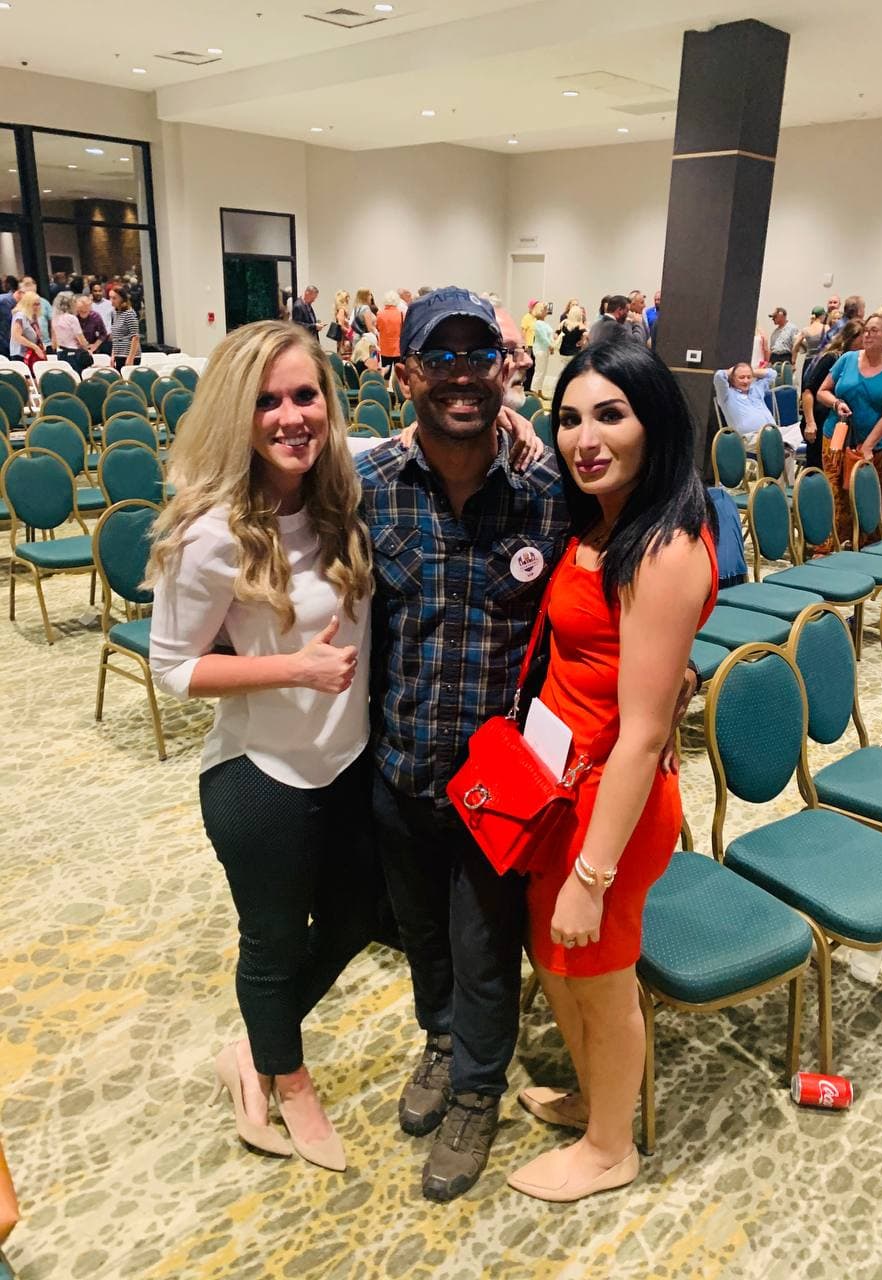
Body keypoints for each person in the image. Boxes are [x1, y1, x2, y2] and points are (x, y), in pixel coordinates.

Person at [147, 320, 380, 1172]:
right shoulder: (210, 536)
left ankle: (252, 1047)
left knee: (357, 916)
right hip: (260, 779)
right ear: (237, 416)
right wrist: (293, 667)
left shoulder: (344, 495)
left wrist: (509, 419)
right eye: (267, 401)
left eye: (305, 395)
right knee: (274, 943)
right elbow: (172, 668)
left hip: (347, 764)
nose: (291, 416)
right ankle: (285, 1079)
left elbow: (419, 435)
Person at [357, 287, 569, 1203]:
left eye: (477, 358)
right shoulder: (370, 489)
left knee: (487, 950)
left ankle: (477, 1092)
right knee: (423, 940)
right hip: (399, 767)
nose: (459, 377)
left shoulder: (548, 496)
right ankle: (442, 1044)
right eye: (438, 359)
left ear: (505, 371)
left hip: (498, 792)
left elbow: (651, 550)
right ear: (407, 375)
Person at [507, 336, 718, 1203]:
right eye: (568, 418)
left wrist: (592, 874)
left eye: (610, 415)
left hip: (611, 808)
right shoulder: (603, 517)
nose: (584, 438)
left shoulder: (664, 545)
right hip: (557, 783)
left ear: (654, 422)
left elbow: (638, 736)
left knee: (599, 976)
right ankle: (595, 1101)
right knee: (553, 960)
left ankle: (610, 1148)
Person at [816, 312, 882, 543]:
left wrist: (868, 445)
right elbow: (822, 391)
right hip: (838, 437)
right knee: (836, 495)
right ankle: (833, 546)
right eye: (866, 329)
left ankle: (869, 551)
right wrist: (837, 403)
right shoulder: (847, 359)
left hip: (875, 446)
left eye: (874, 330)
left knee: (871, 500)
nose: (867, 334)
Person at [800, 320, 865, 471]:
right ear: (851, 338)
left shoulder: (862, 363)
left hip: (843, 423)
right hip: (820, 420)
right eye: (862, 338)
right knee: (819, 468)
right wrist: (810, 423)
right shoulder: (832, 358)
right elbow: (808, 391)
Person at [51, 291, 93, 373]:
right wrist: (87, 349)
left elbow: (54, 342)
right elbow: (81, 340)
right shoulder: (72, 318)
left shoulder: (55, 319)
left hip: (61, 354)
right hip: (74, 355)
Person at [9, 291, 47, 373]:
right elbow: (17, 336)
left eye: (38, 304)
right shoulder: (20, 316)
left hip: (31, 353)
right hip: (20, 354)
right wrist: (35, 347)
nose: (37, 307)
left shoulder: (32, 316)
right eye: (34, 304)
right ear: (27, 304)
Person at [109, 287, 140, 370]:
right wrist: (113, 356)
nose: (111, 300)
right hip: (118, 354)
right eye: (110, 298)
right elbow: (115, 337)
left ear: (122, 299)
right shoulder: (113, 313)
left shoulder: (129, 313)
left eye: (114, 298)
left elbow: (135, 337)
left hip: (129, 355)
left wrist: (130, 358)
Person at [375, 290, 404, 374]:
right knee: (399, 374)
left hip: (385, 348)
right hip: (398, 348)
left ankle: (385, 386)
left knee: (385, 373)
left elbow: (377, 328)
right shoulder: (401, 314)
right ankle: (397, 387)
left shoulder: (380, 314)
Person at [555, 304, 587, 372]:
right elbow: (586, 336)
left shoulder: (563, 323)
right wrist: (581, 341)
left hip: (563, 352)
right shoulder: (581, 326)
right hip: (574, 353)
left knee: (562, 371)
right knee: (572, 372)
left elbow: (556, 335)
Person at [530, 302, 553, 396]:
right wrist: (550, 345)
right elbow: (543, 337)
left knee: (543, 372)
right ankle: (534, 392)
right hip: (540, 350)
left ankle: (539, 391)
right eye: (544, 309)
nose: (546, 311)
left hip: (545, 350)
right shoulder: (538, 324)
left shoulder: (544, 323)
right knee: (539, 371)